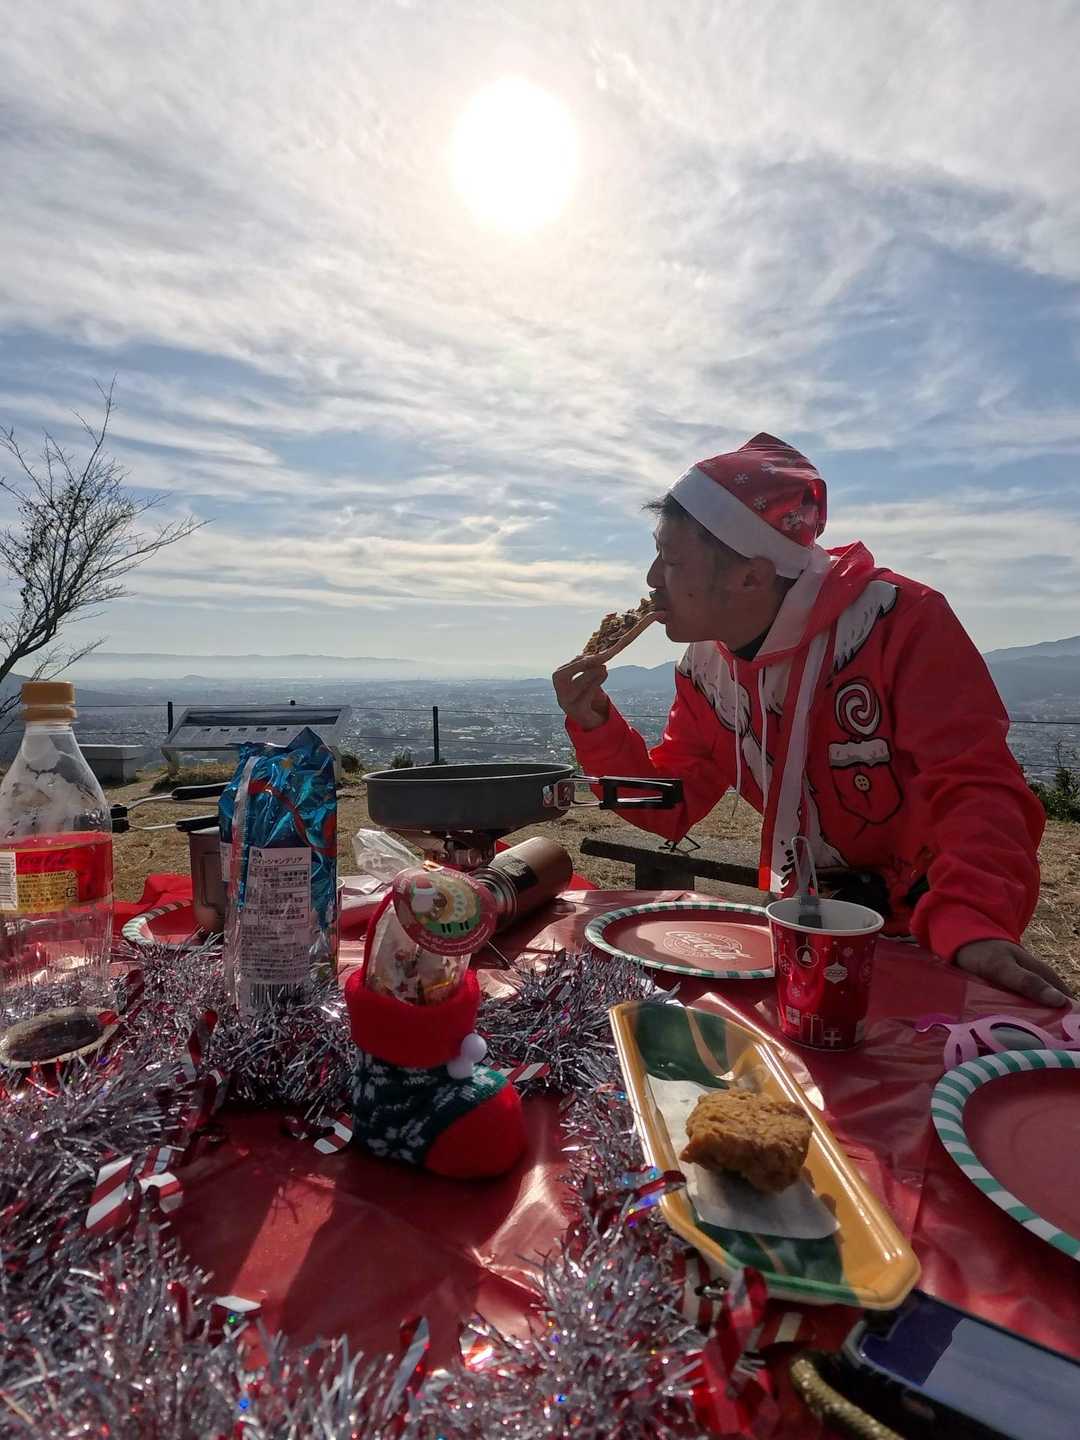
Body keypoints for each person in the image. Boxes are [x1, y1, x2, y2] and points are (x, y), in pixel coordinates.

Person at [553, 433, 1069, 1007]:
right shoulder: (706, 666)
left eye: (671, 561)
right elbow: (669, 805)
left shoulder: (896, 623)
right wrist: (596, 727)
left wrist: (972, 922)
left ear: (751, 575)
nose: (651, 579)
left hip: (928, 933)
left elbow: (979, 787)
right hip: (798, 927)